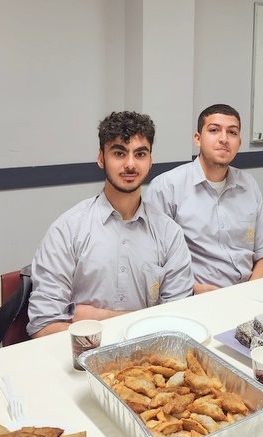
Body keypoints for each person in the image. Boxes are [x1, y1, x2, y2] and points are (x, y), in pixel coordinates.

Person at [27, 111, 193, 338]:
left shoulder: (169, 234)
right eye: (119, 153)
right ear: (101, 158)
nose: (130, 164)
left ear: (150, 160)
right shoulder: (67, 230)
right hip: (81, 362)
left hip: (149, 363)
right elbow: (43, 326)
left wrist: (97, 317)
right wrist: (141, 322)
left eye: (140, 154)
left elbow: (177, 323)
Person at [144, 104, 263, 294]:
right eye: (214, 130)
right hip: (194, 297)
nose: (224, 139)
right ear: (197, 139)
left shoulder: (248, 185)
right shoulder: (167, 187)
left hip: (249, 294)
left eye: (232, 132)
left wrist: (248, 294)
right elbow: (152, 263)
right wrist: (194, 290)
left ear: (239, 143)